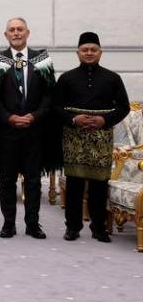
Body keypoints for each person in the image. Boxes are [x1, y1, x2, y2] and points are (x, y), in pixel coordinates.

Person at [0, 17, 56, 239]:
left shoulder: (42, 59)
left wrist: (34, 116)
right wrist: (10, 117)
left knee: (33, 181)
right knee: (7, 180)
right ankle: (8, 224)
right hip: (7, 133)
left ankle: (33, 225)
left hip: (35, 132)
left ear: (27, 33)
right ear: (6, 35)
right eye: (12, 30)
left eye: (20, 29)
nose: (16, 33)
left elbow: (49, 96)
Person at [54, 32, 129, 243]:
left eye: (93, 50)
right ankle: (73, 227)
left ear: (100, 52)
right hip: (74, 137)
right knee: (74, 183)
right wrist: (74, 119)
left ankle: (99, 228)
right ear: (77, 52)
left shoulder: (113, 78)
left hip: (101, 137)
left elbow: (123, 107)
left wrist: (104, 121)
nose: (89, 53)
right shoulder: (66, 78)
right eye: (84, 50)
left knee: (99, 183)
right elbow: (56, 107)